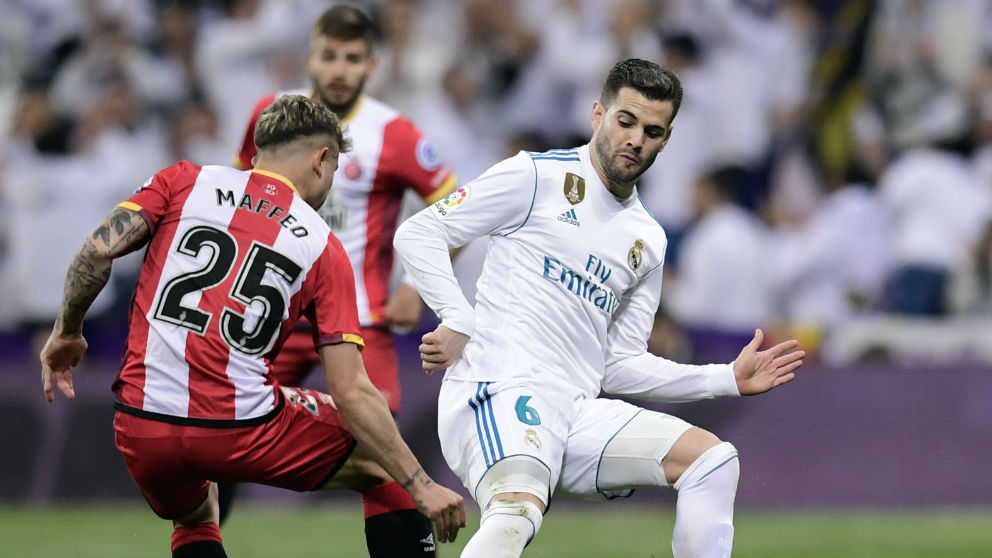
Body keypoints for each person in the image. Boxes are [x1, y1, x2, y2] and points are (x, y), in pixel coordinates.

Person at [393, 59, 805, 558]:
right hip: (497, 390)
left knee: (713, 461)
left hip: (575, 413)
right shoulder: (536, 176)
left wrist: (725, 380)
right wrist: (457, 318)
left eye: (652, 131)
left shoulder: (647, 240)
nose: (635, 139)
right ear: (597, 115)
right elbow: (420, 232)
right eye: (625, 121)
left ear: (666, 139)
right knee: (515, 512)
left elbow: (620, 364)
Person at [39, 94, 465, 558]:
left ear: (258, 151)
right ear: (321, 159)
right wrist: (420, 482)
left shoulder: (183, 180)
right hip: (236, 427)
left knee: (198, 513)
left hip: (141, 427)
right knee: (384, 463)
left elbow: (98, 251)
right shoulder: (323, 245)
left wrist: (66, 332)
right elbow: (352, 392)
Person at [227, 4, 460, 534]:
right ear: (310, 58)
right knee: (219, 427)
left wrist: (414, 285)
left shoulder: (393, 134)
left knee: (385, 454)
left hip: (358, 320)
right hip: (272, 314)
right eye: (329, 56)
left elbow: (456, 210)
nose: (339, 69)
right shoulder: (273, 117)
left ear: (371, 66)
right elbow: (240, 200)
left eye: (352, 59)